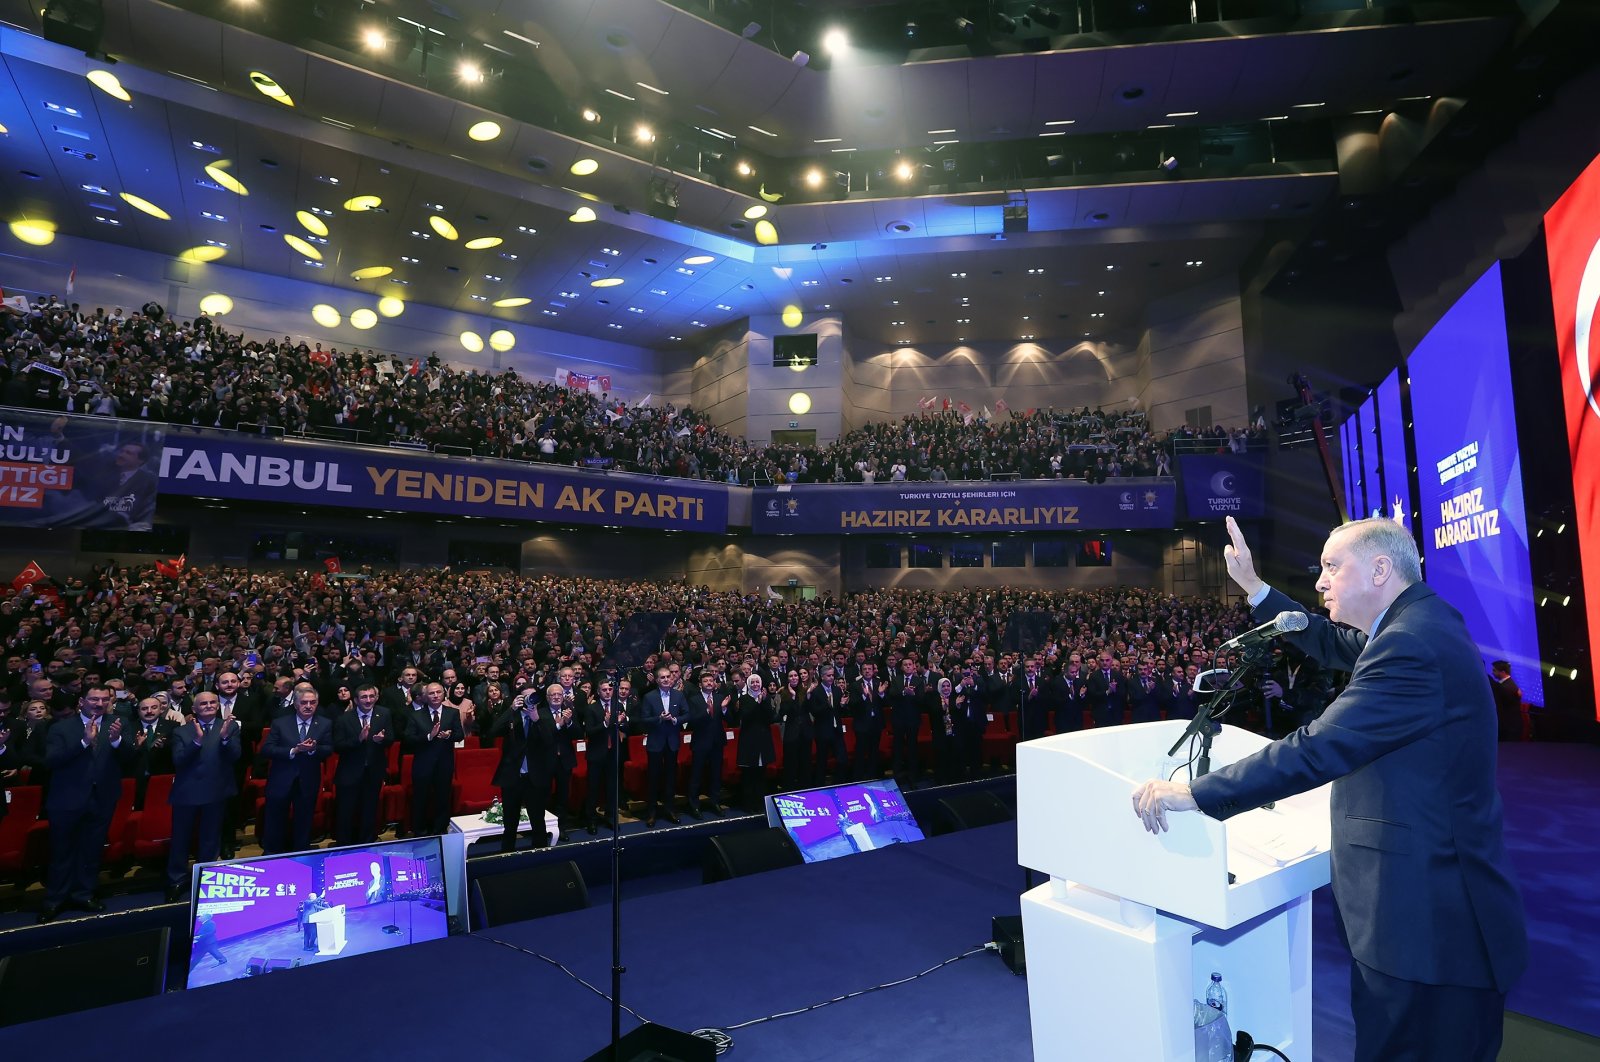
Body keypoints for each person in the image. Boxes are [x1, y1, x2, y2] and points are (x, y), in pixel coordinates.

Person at [1132, 516, 1527, 1062]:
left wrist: (1194, 793)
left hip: (1428, 927)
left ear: (1380, 569)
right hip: (1434, 912)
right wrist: (1255, 589)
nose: (1319, 582)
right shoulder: (1417, 623)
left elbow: (1315, 749)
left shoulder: (1409, 646)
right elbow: (1334, 642)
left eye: (1331, 567)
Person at [39, 685, 134, 922]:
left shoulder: (119, 723)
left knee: (91, 851)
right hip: (66, 799)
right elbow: (51, 761)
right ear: (82, 701)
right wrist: (82, 742)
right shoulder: (60, 727)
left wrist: (116, 741)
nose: (99, 704)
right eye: (94, 699)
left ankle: (84, 894)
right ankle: (55, 899)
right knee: (62, 851)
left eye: (104, 699)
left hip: (102, 798)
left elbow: (132, 758)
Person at [166, 691, 242, 902]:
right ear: (194, 708)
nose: (209, 706)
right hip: (187, 794)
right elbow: (178, 760)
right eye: (204, 703)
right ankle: (177, 881)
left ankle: (207, 879)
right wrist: (197, 742)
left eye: (212, 702)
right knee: (181, 840)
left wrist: (226, 738)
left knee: (210, 839)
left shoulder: (229, 727)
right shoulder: (182, 731)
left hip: (216, 792)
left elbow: (235, 756)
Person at [261, 687, 333, 854]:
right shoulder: (280, 722)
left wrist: (314, 749)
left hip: (308, 779)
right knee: (276, 819)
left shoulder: (324, 723)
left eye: (312, 702)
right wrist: (293, 751)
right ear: (295, 704)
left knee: (305, 818)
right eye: (304, 702)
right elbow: (267, 749)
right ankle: (273, 853)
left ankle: (301, 853)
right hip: (281, 778)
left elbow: (329, 748)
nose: (308, 706)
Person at [487, 685, 556, 851]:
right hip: (513, 777)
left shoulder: (544, 717)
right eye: (525, 697)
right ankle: (506, 854)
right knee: (510, 822)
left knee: (538, 820)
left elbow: (550, 742)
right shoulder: (513, 716)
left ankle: (540, 854)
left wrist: (536, 719)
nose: (529, 700)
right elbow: (493, 731)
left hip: (535, 778)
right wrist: (511, 709)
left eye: (533, 697)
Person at [331, 684, 393, 845]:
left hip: (373, 772)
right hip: (349, 773)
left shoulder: (384, 714)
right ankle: (344, 844)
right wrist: (358, 740)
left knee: (369, 810)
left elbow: (391, 738)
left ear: (376, 697)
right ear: (356, 700)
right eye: (364, 697)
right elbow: (337, 746)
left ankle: (367, 842)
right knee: (346, 811)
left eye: (371, 696)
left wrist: (382, 740)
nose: (368, 700)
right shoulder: (344, 719)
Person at [404, 682, 461, 835]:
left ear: (444, 694)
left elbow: (460, 735)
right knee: (420, 799)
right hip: (423, 764)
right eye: (431, 693)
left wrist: (449, 735)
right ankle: (419, 831)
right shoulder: (415, 715)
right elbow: (409, 738)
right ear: (424, 696)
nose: (435, 696)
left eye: (438, 692)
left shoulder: (452, 712)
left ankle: (440, 830)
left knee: (442, 799)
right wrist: (429, 736)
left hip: (444, 763)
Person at [640, 665, 686, 827]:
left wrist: (675, 720)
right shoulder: (649, 697)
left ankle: (670, 809)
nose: (666, 679)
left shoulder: (679, 695)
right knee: (653, 779)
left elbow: (687, 714)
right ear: (657, 680)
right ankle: (651, 812)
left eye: (668, 677)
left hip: (672, 742)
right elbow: (644, 719)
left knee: (670, 779)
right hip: (655, 743)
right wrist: (659, 718)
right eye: (663, 677)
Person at [580, 677, 628, 833]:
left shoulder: (618, 705)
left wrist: (621, 723)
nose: (608, 692)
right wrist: (606, 724)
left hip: (613, 752)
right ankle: (591, 820)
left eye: (610, 689)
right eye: (604, 690)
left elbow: (626, 727)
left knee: (611, 787)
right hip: (596, 754)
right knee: (593, 788)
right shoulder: (591, 709)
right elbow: (590, 732)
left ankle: (610, 817)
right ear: (599, 692)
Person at [684, 670, 730, 818]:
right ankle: (694, 805)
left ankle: (715, 802)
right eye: (706, 681)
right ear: (700, 684)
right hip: (700, 742)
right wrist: (707, 709)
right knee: (696, 775)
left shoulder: (720, 698)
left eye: (711, 680)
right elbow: (692, 720)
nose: (709, 683)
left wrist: (723, 708)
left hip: (717, 742)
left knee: (716, 774)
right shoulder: (694, 699)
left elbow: (730, 718)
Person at [735, 675, 775, 813]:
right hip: (749, 741)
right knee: (749, 776)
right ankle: (748, 805)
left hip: (763, 741)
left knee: (761, 775)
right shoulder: (744, 699)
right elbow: (745, 716)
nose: (756, 684)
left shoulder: (765, 698)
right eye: (753, 682)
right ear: (748, 684)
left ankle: (760, 804)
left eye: (758, 681)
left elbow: (771, 717)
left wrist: (763, 702)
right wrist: (757, 702)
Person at [1489, 660, 1522, 742]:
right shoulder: (1505, 685)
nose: (1492, 672)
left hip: (1509, 729)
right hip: (1507, 727)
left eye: (1494, 670)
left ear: (1503, 672)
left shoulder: (1507, 687)